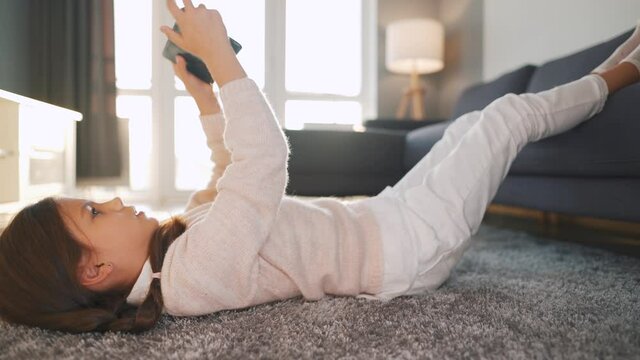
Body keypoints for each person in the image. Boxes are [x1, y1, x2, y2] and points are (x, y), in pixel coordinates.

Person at [0, 1, 639, 333]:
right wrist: (222, 58)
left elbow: (227, 170)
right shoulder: (194, 278)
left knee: (476, 123)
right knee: (502, 119)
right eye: (92, 211)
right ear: (94, 269)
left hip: (387, 218)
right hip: (408, 248)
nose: (112, 201)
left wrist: (202, 96)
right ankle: (619, 76)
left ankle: (603, 74)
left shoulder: (178, 251)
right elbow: (263, 162)